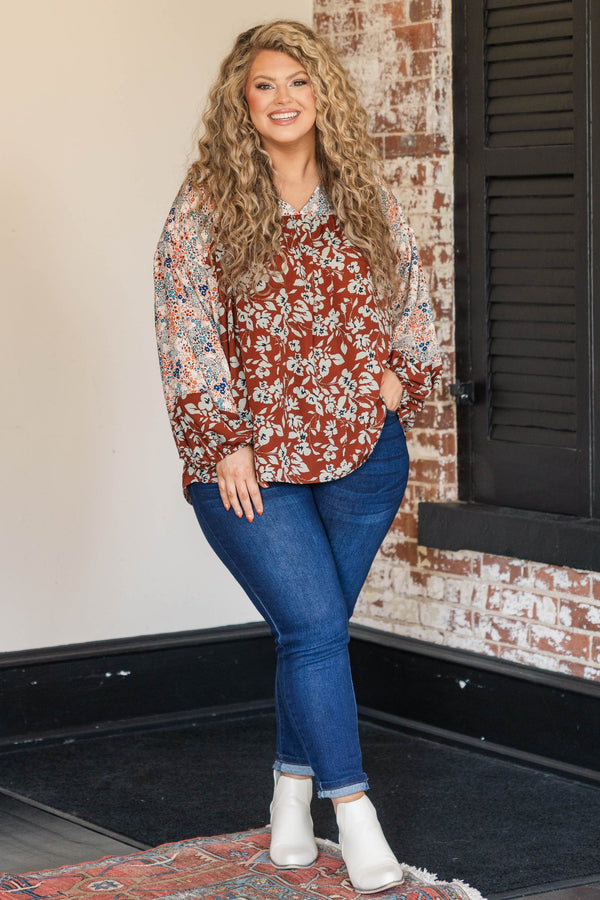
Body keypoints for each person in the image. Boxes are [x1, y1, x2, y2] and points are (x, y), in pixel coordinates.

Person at [154, 19, 441, 893]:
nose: (283, 100)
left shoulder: (364, 194)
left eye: (299, 83)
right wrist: (221, 442)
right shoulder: (207, 203)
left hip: (363, 458)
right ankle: (354, 815)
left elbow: (413, 294)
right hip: (250, 468)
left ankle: (288, 795)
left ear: (324, 96)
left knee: (308, 635)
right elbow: (185, 330)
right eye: (265, 86)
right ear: (241, 104)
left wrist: (401, 379)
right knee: (317, 630)